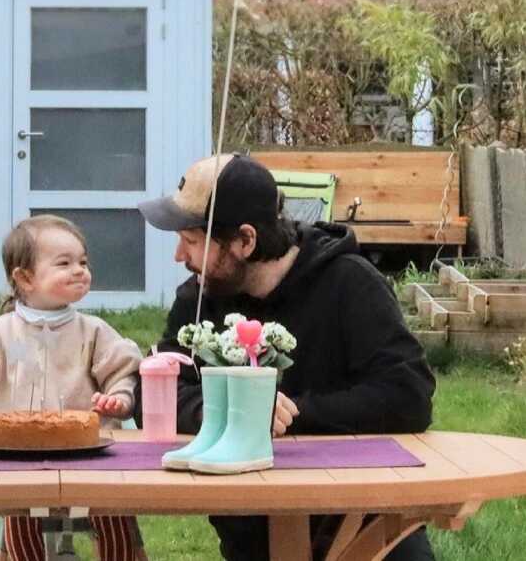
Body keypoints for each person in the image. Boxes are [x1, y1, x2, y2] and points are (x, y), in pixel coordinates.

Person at [136, 153, 436, 561]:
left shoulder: (348, 282)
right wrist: (220, 412)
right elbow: (155, 388)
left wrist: (292, 415)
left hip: (362, 525)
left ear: (245, 241)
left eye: (191, 241)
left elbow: (408, 396)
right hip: (253, 532)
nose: (178, 256)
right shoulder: (200, 297)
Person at [0, 214, 144, 561]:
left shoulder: (93, 332)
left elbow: (122, 370)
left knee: (116, 512)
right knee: (19, 515)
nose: (79, 270)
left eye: (83, 262)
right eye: (64, 263)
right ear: (24, 278)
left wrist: (118, 398)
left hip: (90, 454)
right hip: (17, 459)